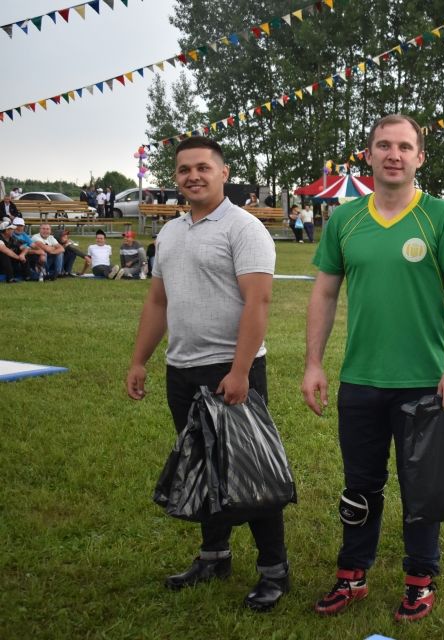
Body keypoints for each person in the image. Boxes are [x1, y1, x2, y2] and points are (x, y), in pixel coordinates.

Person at [301, 114, 444, 622]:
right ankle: (351, 575)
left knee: (422, 489)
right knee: (359, 485)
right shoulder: (345, 219)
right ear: (369, 154)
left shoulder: (442, 217)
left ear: (419, 157)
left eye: (404, 146)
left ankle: (420, 581)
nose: (394, 154)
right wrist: (314, 363)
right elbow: (326, 291)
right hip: (360, 381)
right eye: (384, 145)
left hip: (424, 382)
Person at [125, 136, 290, 612]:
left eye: (202, 167)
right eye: (183, 170)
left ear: (223, 172)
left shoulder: (244, 228)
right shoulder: (171, 233)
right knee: (202, 466)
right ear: (175, 179)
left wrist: (240, 372)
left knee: (250, 472)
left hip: (231, 371)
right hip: (182, 370)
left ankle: (274, 571)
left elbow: (258, 302)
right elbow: (158, 301)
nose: (192, 176)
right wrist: (140, 360)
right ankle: (214, 556)